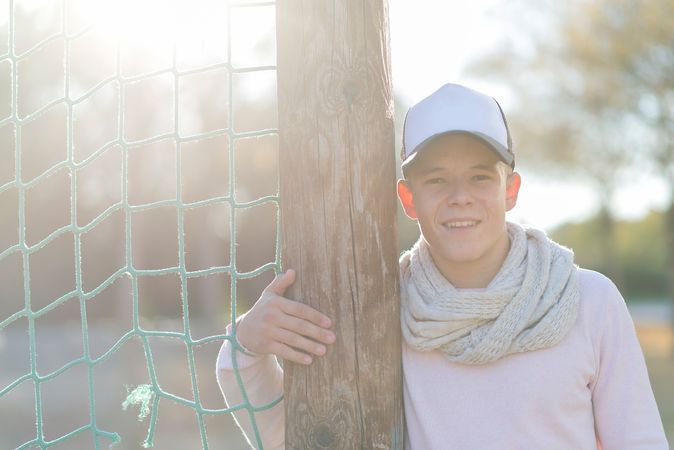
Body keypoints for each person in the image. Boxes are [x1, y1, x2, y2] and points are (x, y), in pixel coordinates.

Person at [216, 83, 669, 449]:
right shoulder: (382, 306)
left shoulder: (589, 300)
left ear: (510, 190)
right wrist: (246, 346)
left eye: (479, 176)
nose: (460, 197)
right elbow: (286, 435)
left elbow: (640, 441)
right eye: (436, 180)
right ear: (409, 199)